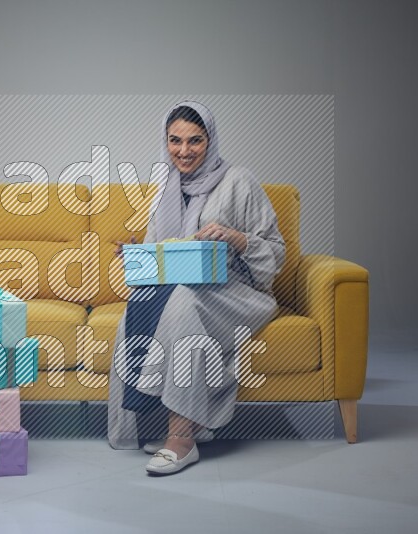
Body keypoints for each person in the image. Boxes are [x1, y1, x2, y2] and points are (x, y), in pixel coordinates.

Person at [108, 101, 286, 475]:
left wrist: (236, 237)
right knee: (141, 306)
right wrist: (138, 254)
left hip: (240, 292)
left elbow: (276, 252)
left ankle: (182, 437)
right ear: (166, 142)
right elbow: (160, 257)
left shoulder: (239, 180)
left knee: (182, 303)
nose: (184, 151)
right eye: (175, 141)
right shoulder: (165, 190)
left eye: (195, 141)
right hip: (186, 288)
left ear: (211, 140)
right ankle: (162, 423)